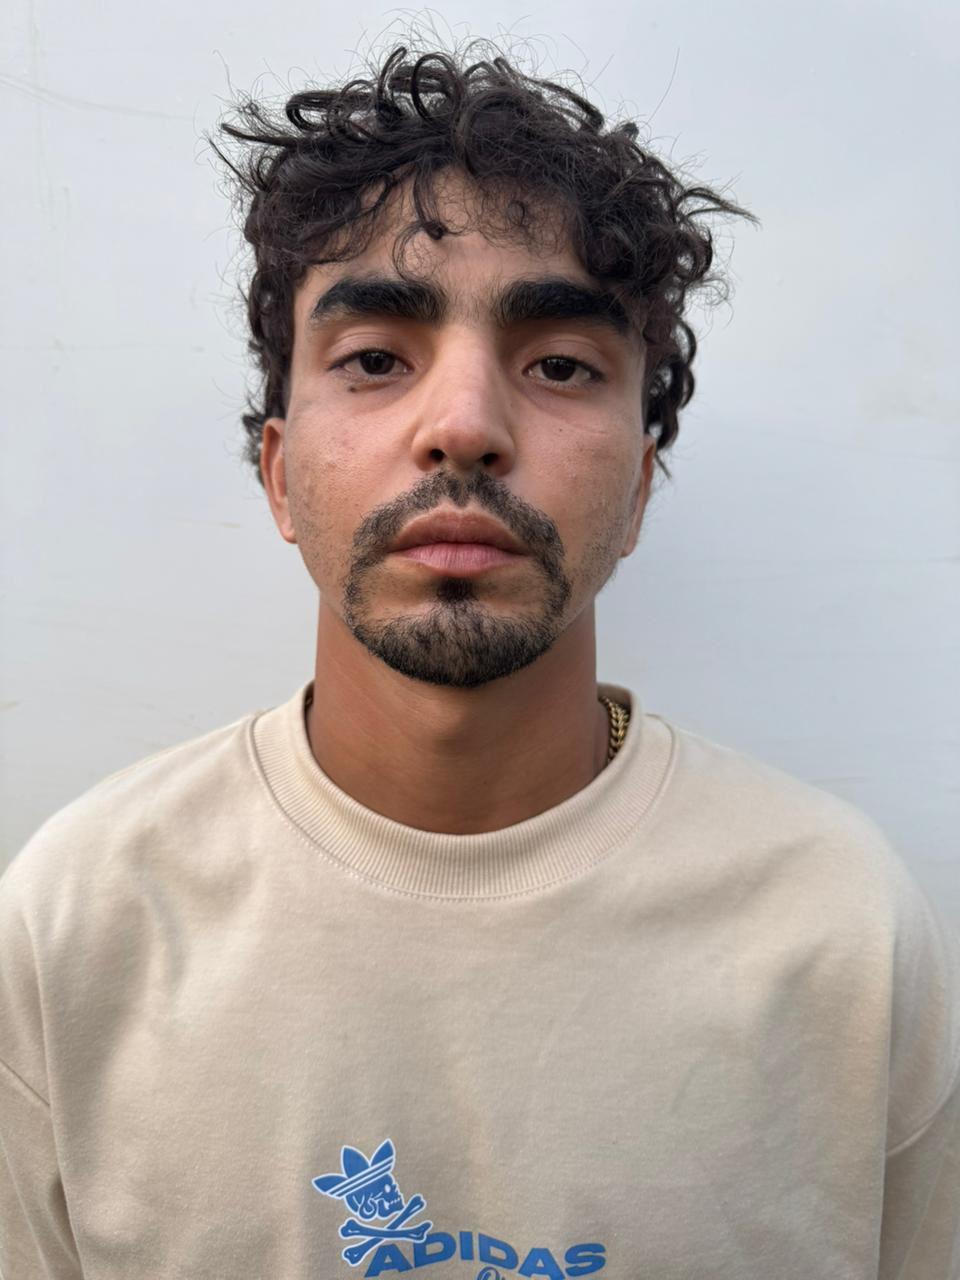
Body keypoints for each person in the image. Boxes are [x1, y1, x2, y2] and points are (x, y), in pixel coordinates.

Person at [1, 41, 957, 1280]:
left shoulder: (841, 931)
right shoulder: (78, 922)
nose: (463, 425)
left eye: (559, 364)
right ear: (280, 475)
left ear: (640, 489)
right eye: (375, 358)